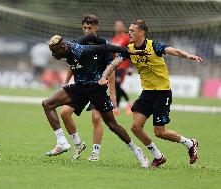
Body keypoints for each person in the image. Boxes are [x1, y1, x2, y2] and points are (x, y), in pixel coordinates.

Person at [99, 19, 202, 168]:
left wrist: (188, 56)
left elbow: (174, 51)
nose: (129, 33)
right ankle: (158, 156)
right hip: (147, 93)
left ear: (141, 32)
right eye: (129, 30)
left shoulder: (153, 46)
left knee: (160, 132)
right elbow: (114, 63)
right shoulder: (129, 49)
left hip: (162, 92)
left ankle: (190, 143)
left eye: (132, 30)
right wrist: (104, 76)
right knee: (135, 127)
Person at [42, 34, 149, 168]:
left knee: (112, 125)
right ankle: (62, 142)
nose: (53, 55)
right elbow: (89, 37)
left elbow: (105, 47)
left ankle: (136, 150)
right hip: (79, 88)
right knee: (47, 104)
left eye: (55, 51)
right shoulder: (71, 46)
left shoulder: (83, 50)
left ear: (62, 47)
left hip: (96, 89)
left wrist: (129, 51)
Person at [60, 14, 116, 161]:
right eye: (84, 28)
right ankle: (78, 144)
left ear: (96, 28)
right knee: (65, 112)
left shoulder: (104, 45)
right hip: (80, 86)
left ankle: (95, 153)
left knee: (96, 117)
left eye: (90, 28)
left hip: (97, 87)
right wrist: (66, 81)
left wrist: (112, 92)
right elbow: (73, 65)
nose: (87, 31)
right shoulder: (78, 44)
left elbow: (112, 68)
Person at [112, 20, 132, 115]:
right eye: (116, 26)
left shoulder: (127, 37)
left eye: (119, 26)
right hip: (115, 65)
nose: (117, 27)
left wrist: (130, 67)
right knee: (116, 86)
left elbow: (131, 52)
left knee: (117, 85)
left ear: (123, 27)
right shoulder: (115, 38)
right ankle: (120, 106)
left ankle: (123, 105)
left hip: (123, 65)